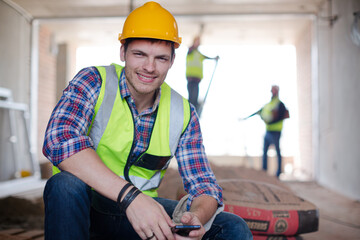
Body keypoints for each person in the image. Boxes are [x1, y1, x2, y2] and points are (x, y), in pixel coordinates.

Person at [42, 2, 252, 240]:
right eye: (139, 54)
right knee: (64, 185)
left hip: (143, 220)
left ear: (172, 60)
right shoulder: (94, 81)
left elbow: (205, 186)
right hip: (86, 208)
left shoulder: (182, 111)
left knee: (232, 227)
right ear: (123, 52)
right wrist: (130, 197)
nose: (149, 68)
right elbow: (59, 140)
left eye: (161, 58)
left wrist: (196, 218)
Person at [186, 36, 219, 113]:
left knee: (195, 97)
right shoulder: (191, 50)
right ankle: (190, 111)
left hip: (197, 79)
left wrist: (214, 58)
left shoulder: (198, 54)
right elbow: (191, 49)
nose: (198, 43)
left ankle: (195, 110)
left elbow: (206, 57)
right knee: (192, 97)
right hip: (191, 78)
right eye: (196, 41)